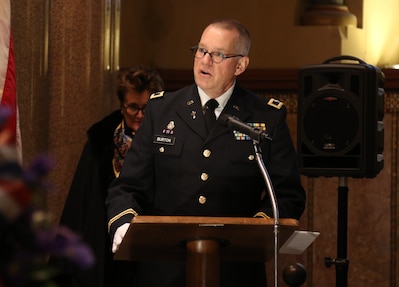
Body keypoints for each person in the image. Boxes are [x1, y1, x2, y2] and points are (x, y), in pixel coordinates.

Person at [106, 19, 306, 287]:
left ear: (240, 65)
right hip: (163, 271)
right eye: (201, 51)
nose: (205, 61)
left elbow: (287, 194)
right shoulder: (162, 109)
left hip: (236, 272)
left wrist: (257, 229)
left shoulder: (266, 116)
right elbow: (128, 186)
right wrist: (124, 222)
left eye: (218, 54)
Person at [50, 65, 164, 287]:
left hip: (152, 246)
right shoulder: (101, 141)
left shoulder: (167, 140)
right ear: (122, 106)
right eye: (133, 107)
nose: (140, 116)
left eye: (146, 108)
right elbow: (81, 201)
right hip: (105, 244)